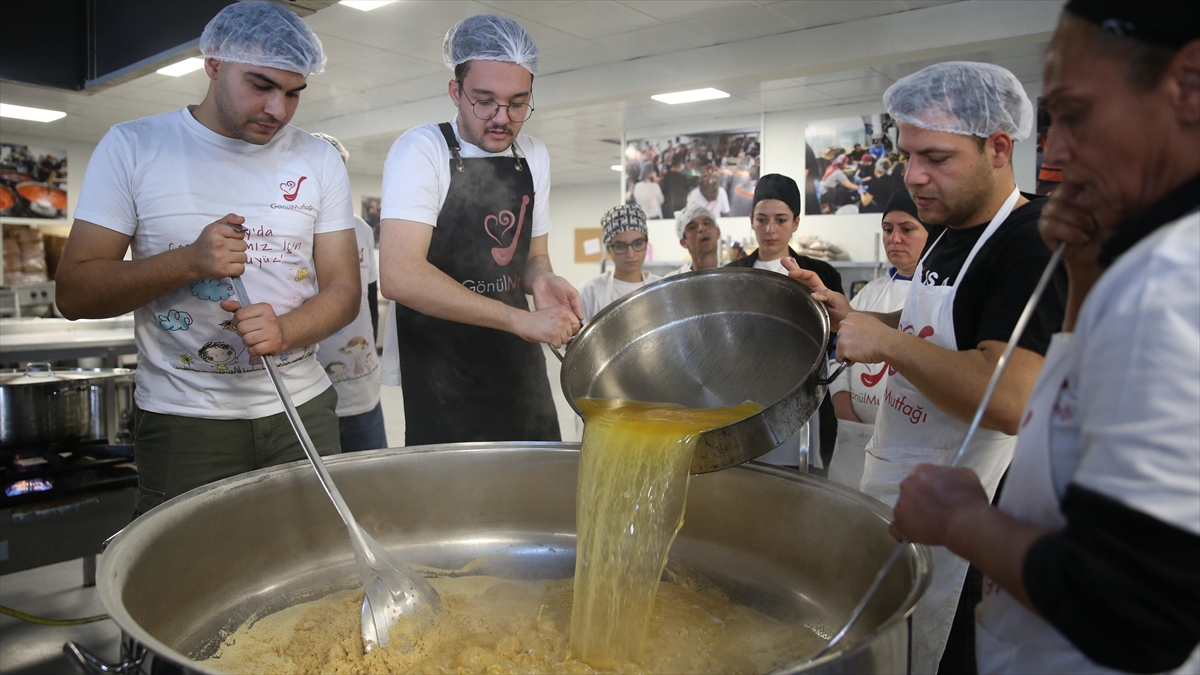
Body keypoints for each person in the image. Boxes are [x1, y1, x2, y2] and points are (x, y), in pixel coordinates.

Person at [890, 4, 1200, 673]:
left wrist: (961, 519)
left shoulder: (1171, 282)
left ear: (1190, 86)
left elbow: (1137, 611)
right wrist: (1085, 277)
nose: (1053, 153)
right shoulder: (1139, 264)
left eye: (1077, 116)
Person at [790, 62, 1068, 675]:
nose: (914, 176)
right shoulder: (946, 231)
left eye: (935, 157)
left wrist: (889, 347)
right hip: (899, 484)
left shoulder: (1031, 241)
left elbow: (1008, 397)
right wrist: (853, 316)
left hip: (968, 528)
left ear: (999, 148)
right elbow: (936, 333)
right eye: (907, 154)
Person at [53, 2, 359, 517]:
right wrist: (189, 263)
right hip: (185, 419)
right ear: (213, 63)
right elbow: (74, 294)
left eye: (293, 93)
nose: (278, 111)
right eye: (260, 86)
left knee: (315, 570)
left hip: (302, 407)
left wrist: (286, 330)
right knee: (189, 581)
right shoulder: (134, 147)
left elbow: (344, 291)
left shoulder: (318, 159)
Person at [378, 14, 580, 446]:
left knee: (532, 489)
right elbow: (400, 275)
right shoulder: (423, 151)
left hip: (517, 361)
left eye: (518, 103)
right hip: (442, 367)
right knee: (456, 502)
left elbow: (532, 257)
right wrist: (518, 319)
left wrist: (542, 279)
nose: (502, 118)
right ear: (456, 91)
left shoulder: (533, 156)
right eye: (484, 101)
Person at [728, 174, 844, 468]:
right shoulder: (732, 275)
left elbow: (837, 337)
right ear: (751, 221)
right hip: (744, 399)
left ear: (796, 223)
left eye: (781, 220)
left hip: (804, 400)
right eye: (761, 219)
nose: (770, 230)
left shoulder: (821, 274)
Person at [826, 189, 933, 489]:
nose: (894, 238)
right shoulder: (869, 292)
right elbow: (836, 350)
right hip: (854, 433)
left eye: (907, 229)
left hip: (909, 440)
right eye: (887, 229)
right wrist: (842, 405)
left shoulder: (937, 297)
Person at [311, 132, 386, 452]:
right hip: (310, 386)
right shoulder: (290, 230)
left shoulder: (361, 229)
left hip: (362, 384)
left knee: (372, 484)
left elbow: (367, 296)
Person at [578, 205, 660, 321]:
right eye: (620, 246)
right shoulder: (591, 291)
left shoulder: (660, 288)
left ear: (646, 245)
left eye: (638, 244)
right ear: (608, 249)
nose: (630, 254)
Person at [663, 204, 721, 277]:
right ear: (683, 242)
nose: (701, 228)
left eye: (706, 223)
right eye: (692, 227)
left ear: (718, 232)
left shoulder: (733, 276)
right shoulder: (674, 282)